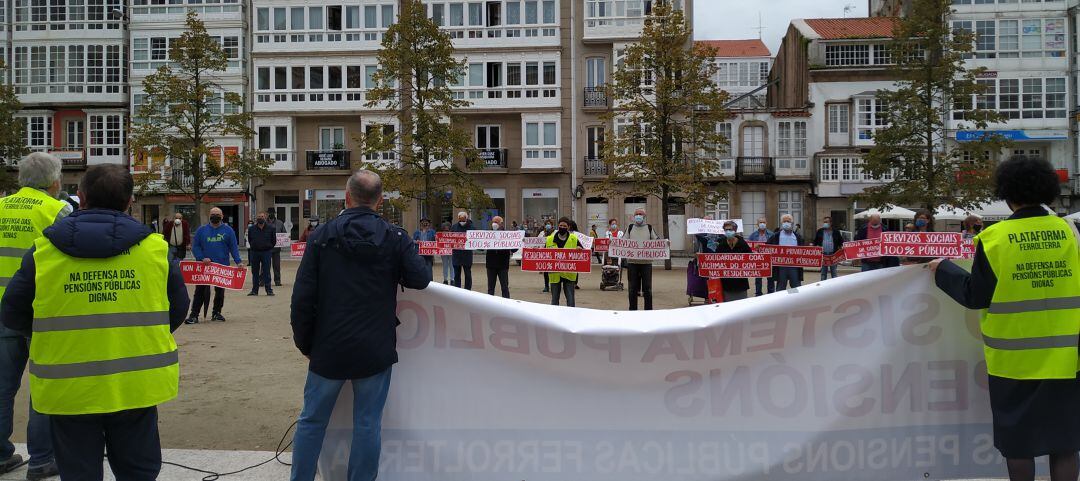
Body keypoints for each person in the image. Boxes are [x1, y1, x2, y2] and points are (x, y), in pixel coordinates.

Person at [1, 163, 190, 481]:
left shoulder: (43, 252)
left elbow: (13, 312)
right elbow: (178, 307)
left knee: (78, 472)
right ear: (130, 201)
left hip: (69, 387)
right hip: (136, 384)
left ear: (80, 196)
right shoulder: (156, 250)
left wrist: (55, 338)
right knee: (139, 471)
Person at [929, 156, 1080, 481]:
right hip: (1065, 358)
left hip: (1012, 364)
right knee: (1065, 444)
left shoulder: (994, 238)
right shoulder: (1070, 233)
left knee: (1019, 446)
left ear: (1007, 194)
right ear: (1047, 191)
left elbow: (975, 295)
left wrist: (942, 268)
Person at [290, 170, 430, 481]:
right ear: (380, 201)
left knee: (312, 421)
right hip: (374, 346)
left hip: (328, 345)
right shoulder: (394, 237)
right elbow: (421, 278)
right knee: (367, 423)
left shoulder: (321, 236)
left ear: (347, 196)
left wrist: (305, 343)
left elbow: (302, 297)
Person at [0, 153, 69, 479]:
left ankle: (1, 455)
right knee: (44, 386)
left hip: (1, 311)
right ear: (55, 181)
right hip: (41, 311)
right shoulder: (57, 210)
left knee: (1, 387)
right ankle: (42, 459)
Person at [187, 207, 243, 324]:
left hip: (221, 267)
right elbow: (195, 246)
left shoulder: (228, 231)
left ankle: (216, 312)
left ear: (222, 216)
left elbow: (233, 247)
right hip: (204, 266)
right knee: (200, 291)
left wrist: (239, 262)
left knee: (220, 292)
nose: (215, 216)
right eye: (213, 214)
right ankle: (194, 315)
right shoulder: (201, 230)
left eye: (217, 214)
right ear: (209, 216)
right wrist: (202, 257)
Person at [624, 208, 660, 310]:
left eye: (641, 214)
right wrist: (613, 243)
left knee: (647, 289)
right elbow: (622, 242)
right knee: (632, 289)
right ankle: (633, 310)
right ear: (634, 216)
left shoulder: (649, 228)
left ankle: (648, 311)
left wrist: (665, 244)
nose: (638, 216)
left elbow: (657, 240)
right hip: (632, 263)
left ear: (644, 217)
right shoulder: (630, 228)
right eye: (637, 214)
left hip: (646, 263)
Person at [546, 217, 579, 306]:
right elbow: (543, 253)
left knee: (570, 299)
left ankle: (570, 317)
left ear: (568, 227)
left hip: (569, 273)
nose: (562, 227)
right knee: (554, 300)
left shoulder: (574, 239)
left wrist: (580, 249)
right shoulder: (549, 239)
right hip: (554, 273)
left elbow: (584, 251)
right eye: (560, 225)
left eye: (564, 226)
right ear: (558, 226)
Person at [716, 220, 753, 301]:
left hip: (740, 282)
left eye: (730, 229)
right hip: (726, 282)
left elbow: (750, 258)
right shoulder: (721, 244)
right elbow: (715, 260)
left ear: (735, 231)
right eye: (726, 230)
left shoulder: (742, 243)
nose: (728, 231)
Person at [767, 214, 804, 290]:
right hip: (781, 267)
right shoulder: (775, 236)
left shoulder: (797, 237)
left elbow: (803, 250)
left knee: (796, 288)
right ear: (781, 223)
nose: (786, 223)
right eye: (784, 221)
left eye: (788, 221)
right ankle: (781, 301)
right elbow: (767, 247)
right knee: (781, 288)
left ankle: (794, 300)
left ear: (792, 223)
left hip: (794, 266)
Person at [247, 212, 276, 297]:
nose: (260, 218)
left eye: (262, 216)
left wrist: (268, 246)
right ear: (257, 218)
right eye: (259, 216)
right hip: (255, 252)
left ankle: (269, 290)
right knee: (255, 272)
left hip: (266, 252)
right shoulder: (251, 229)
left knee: (267, 271)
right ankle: (254, 291)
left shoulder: (271, 228)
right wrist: (254, 245)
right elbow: (249, 239)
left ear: (265, 217)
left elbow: (274, 241)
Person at [485, 216, 515, 298]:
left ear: (501, 224)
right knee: (490, 288)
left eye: (497, 222)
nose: (495, 224)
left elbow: (513, 249)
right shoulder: (487, 234)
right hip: (491, 265)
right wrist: (472, 242)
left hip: (503, 265)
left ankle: (506, 304)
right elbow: (481, 247)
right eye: (494, 222)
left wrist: (518, 242)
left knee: (504, 287)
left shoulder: (507, 235)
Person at [747, 217, 774, 296]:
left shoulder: (771, 234)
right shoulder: (753, 235)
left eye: (764, 222)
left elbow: (775, 246)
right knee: (758, 278)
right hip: (758, 259)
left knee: (770, 277)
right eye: (760, 222)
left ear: (766, 223)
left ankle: (771, 292)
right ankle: (758, 293)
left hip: (769, 259)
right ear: (757, 224)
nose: (762, 224)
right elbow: (749, 246)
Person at [813, 216, 844, 281]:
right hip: (823, 255)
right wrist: (815, 246)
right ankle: (823, 287)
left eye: (826, 222)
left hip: (833, 255)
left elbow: (841, 242)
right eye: (824, 222)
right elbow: (815, 242)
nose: (825, 223)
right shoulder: (820, 231)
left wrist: (841, 251)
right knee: (823, 274)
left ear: (831, 223)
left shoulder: (836, 232)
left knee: (834, 273)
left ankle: (834, 287)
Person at [450, 212, 474, 290]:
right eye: (460, 219)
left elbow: (476, 239)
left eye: (463, 219)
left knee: (467, 274)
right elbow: (450, 239)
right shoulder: (454, 227)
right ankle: (458, 290)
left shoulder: (472, 227)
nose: (462, 221)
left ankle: (467, 290)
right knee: (457, 275)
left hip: (467, 255)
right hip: (456, 255)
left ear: (466, 218)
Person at [268, 211, 287, 286]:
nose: (271, 214)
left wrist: (285, 239)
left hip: (276, 249)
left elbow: (284, 233)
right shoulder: (264, 223)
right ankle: (263, 280)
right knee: (265, 266)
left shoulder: (280, 223)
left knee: (276, 266)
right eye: (269, 213)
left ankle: (277, 281)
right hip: (267, 248)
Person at [539, 221, 555, 292]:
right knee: (546, 272)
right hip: (544, 254)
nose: (548, 225)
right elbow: (537, 241)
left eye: (549, 224)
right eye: (547, 224)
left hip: (553, 254)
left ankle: (553, 285)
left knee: (553, 272)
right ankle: (546, 286)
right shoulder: (542, 233)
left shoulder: (555, 232)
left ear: (552, 225)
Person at [438, 221, 454, 285]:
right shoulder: (440, 234)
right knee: (445, 265)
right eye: (445, 227)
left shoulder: (452, 234)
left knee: (451, 265)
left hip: (451, 251)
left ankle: (452, 279)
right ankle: (445, 279)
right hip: (443, 251)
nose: (446, 228)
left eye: (447, 227)